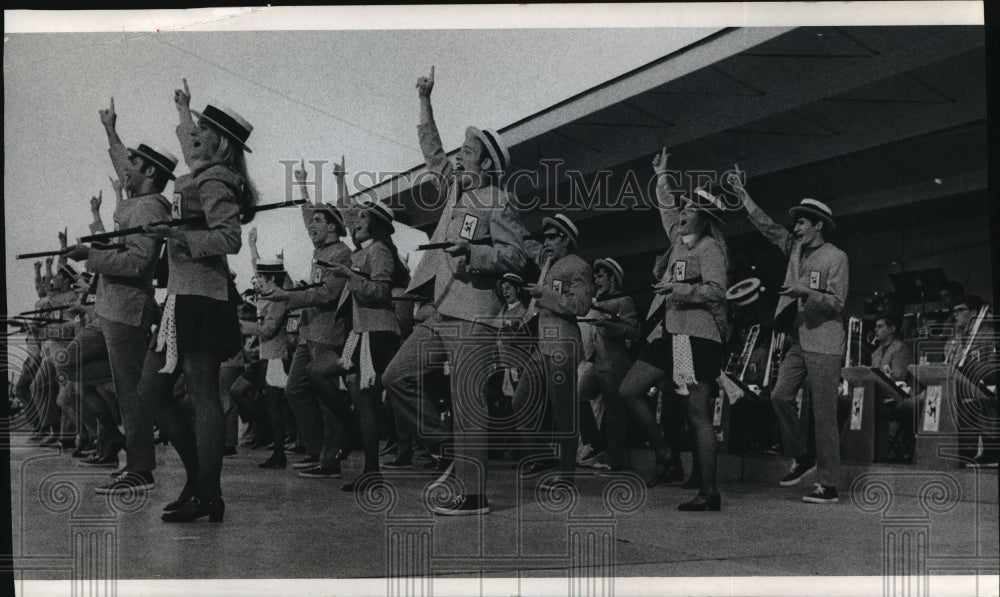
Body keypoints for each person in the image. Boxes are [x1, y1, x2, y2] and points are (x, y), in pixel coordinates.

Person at [382, 66, 528, 516]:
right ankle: (447, 446)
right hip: (441, 309)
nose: (459, 157)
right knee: (396, 377)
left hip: (476, 314)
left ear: (486, 163)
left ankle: (474, 494)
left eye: (467, 152)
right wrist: (424, 100)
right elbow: (432, 155)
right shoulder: (456, 189)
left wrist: (477, 255)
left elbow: (518, 257)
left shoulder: (498, 202)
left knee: (469, 402)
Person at [137, 80, 257, 522]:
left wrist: (173, 234)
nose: (192, 137)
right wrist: (184, 109)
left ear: (220, 142)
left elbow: (230, 239)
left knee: (203, 396)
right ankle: (198, 483)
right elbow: (189, 146)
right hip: (181, 296)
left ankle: (208, 491)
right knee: (152, 393)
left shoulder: (216, 180)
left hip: (204, 297)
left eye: (202, 130)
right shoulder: (201, 172)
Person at [64, 97, 177, 489]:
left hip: (128, 309)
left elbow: (135, 265)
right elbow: (122, 164)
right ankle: (124, 437)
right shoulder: (140, 199)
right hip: (113, 310)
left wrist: (91, 256)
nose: (123, 168)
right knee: (80, 369)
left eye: (132, 164)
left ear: (148, 171)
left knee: (132, 393)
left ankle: (140, 468)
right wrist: (110, 130)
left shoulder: (148, 208)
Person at [617, 149, 729, 512]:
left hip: (698, 336)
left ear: (705, 218)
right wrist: (662, 176)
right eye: (682, 208)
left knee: (697, 412)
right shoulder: (680, 241)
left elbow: (717, 291)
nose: (681, 213)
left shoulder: (710, 248)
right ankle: (666, 454)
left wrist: (676, 290)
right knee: (630, 389)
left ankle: (709, 491)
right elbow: (666, 209)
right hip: (675, 334)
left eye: (689, 210)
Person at [730, 166, 848, 504]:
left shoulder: (836, 257)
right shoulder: (795, 249)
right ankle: (803, 456)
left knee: (823, 415)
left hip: (825, 341)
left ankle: (829, 485)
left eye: (800, 222)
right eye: (795, 223)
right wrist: (743, 194)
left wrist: (805, 293)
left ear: (817, 225)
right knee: (780, 396)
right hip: (799, 338)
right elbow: (767, 226)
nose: (795, 227)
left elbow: (838, 302)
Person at [261, 163, 353, 480]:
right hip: (308, 334)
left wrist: (286, 297)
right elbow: (306, 215)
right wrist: (302, 187)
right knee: (295, 390)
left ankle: (330, 461)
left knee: (327, 400)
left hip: (327, 335)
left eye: (318, 222)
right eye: (311, 221)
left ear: (332, 227)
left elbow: (328, 294)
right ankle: (315, 451)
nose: (310, 225)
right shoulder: (321, 251)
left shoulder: (341, 253)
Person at [323, 200, 407, 491]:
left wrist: (350, 277)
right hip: (361, 332)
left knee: (365, 403)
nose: (354, 222)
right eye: (354, 217)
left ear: (376, 223)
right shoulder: (364, 251)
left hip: (376, 331)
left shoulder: (380, 251)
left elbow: (382, 292)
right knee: (319, 374)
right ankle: (356, 434)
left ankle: (371, 469)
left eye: (361, 217)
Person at [514, 214, 594, 490]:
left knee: (564, 412)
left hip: (562, 344)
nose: (545, 241)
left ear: (565, 238)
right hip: (543, 344)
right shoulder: (548, 263)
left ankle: (567, 476)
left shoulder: (578, 266)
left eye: (550, 236)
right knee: (520, 401)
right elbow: (525, 242)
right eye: (544, 237)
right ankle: (546, 457)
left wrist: (542, 294)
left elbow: (581, 305)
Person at [580, 257, 640, 472]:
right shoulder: (596, 302)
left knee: (616, 413)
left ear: (612, 278)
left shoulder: (625, 301)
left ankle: (615, 462)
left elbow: (634, 331)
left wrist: (611, 325)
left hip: (616, 364)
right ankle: (596, 443)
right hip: (598, 363)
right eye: (595, 276)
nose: (596, 280)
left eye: (600, 276)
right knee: (580, 397)